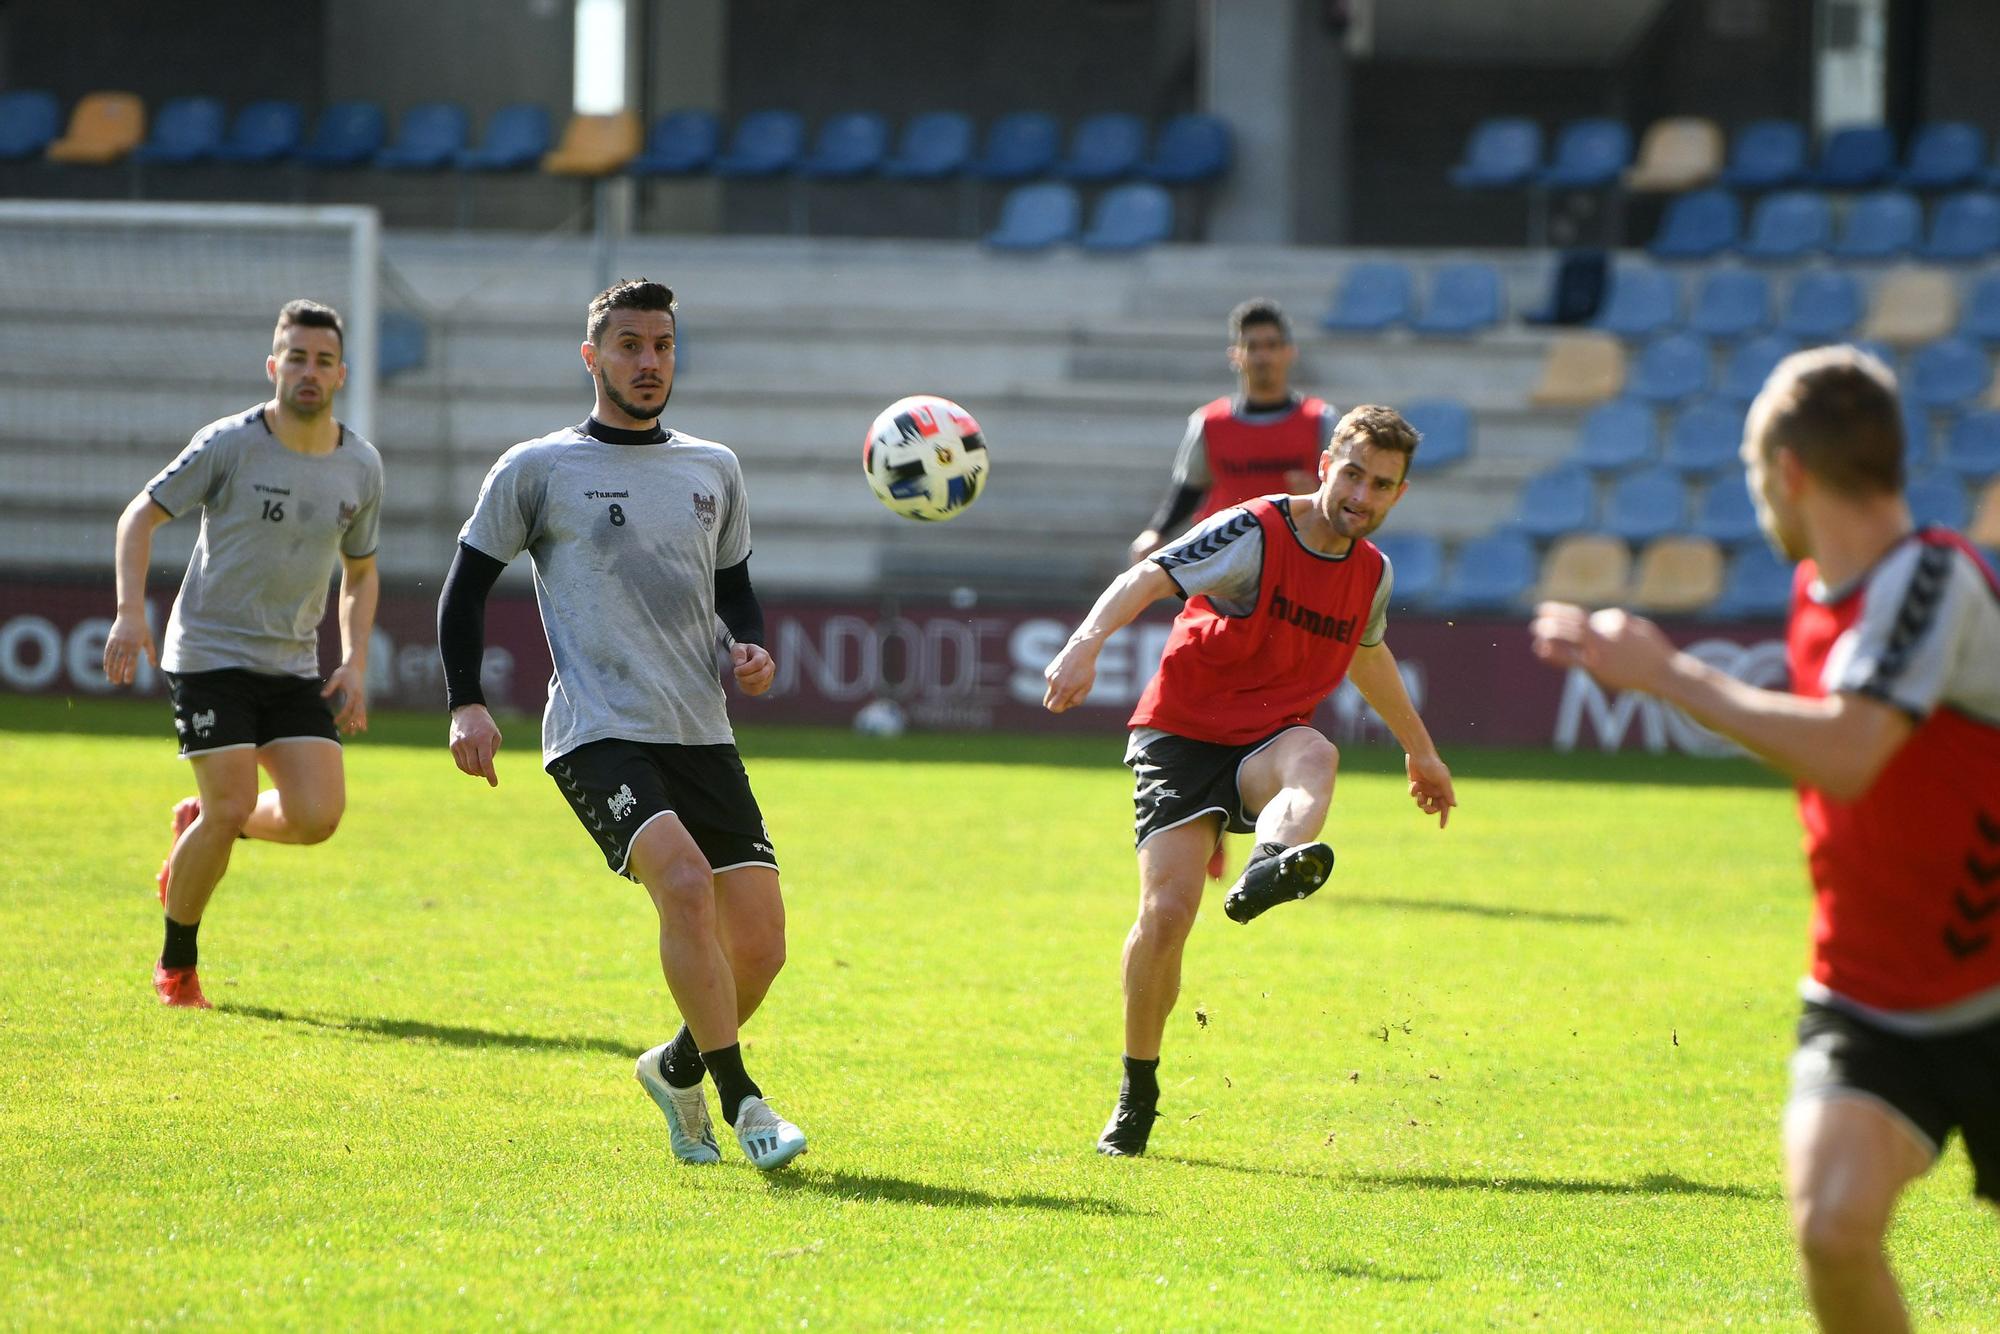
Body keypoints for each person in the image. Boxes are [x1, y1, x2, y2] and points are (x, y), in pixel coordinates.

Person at [1530, 345, 2000, 1334]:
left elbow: (1850, 749)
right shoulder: (1813, 591)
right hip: (1869, 989)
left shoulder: (1931, 574)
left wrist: (1667, 672)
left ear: (1785, 469)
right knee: (1830, 1226)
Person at [436, 278, 806, 1172]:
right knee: (682, 883)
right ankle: (742, 1100)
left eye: (663, 346)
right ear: (591, 356)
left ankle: (675, 1067)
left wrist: (750, 648)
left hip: (702, 730)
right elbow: (465, 586)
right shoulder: (538, 467)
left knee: (761, 947)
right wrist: (466, 700)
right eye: (631, 345)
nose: (649, 362)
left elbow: (736, 589)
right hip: (596, 729)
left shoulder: (712, 465)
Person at [1046, 405, 1457, 1157]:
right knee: (1168, 914)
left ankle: (1270, 865)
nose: (1362, 496)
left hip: (1267, 739)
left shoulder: (1373, 573)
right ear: (1328, 463)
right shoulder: (1259, 531)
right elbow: (1151, 573)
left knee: (1318, 755)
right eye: (1355, 474)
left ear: (1399, 494)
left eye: (1382, 485)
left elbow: (1367, 653)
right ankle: (1138, 1091)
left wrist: (1421, 752)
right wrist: (1085, 643)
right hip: (1181, 734)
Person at [102, 299, 383, 1010]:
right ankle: (178, 968)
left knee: (317, 816)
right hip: (208, 656)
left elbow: (361, 571)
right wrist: (130, 614)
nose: (309, 371)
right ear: (273, 366)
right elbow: (141, 515)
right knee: (229, 806)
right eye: (296, 357)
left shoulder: (360, 464)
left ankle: (199, 819)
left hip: (290, 665)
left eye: (322, 360)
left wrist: (353, 661)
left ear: (341, 373)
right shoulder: (230, 443)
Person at [1126, 299, 1338, 567]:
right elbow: (1189, 488)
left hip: (1296, 562)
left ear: (1289, 352)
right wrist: (1156, 532)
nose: (1262, 356)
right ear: (1235, 355)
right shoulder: (1209, 423)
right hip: (1223, 563)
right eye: (1252, 347)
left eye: (1272, 346)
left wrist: (1320, 495)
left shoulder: (1321, 420)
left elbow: (1342, 495)